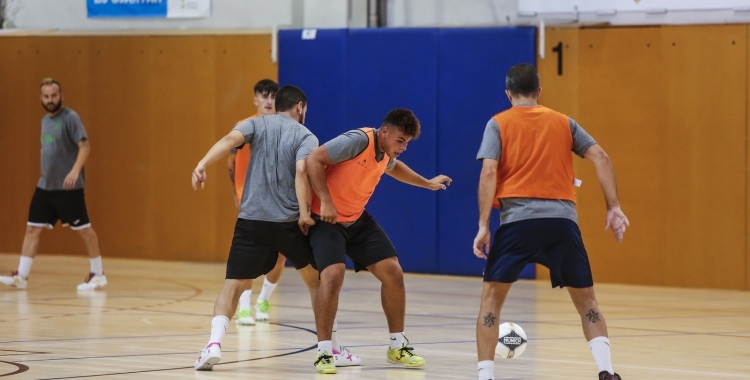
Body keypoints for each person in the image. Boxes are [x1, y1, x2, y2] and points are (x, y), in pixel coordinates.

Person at [472, 63, 629, 380]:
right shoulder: (564, 122)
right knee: (587, 302)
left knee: (491, 301)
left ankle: (486, 376)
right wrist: (614, 207)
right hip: (561, 223)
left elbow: (489, 171)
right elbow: (601, 157)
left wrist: (483, 225)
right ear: (539, 92)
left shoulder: (497, 123)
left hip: (517, 222)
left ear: (508, 93)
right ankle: (606, 370)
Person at [191, 85, 359, 371]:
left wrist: (202, 163)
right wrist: (305, 213)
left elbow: (228, 139)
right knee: (317, 282)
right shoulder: (306, 135)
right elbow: (301, 172)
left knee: (233, 285)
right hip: (287, 223)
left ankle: (213, 344)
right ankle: (330, 348)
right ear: (300, 107)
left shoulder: (253, 124)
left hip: (250, 221)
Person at [305, 108, 452, 374]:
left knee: (393, 273)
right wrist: (325, 200)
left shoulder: (386, 153)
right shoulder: (358, 141)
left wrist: (427, 183)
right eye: (400, 140)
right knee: (333, 275)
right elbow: (314, 159)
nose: (403, 147)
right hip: (327, 220)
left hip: (356, 219)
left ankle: (397, 346)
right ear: (385, 132)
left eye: (407, 143)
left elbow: (395, 169)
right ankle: (325, 352)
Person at [0, 78, 107, 291]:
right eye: (46, 97)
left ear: (61, 96)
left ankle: (98, 274)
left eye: (54, 96)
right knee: (32, 228)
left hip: (68, 189)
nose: (50, 100)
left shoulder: (71, 118)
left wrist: (75, 172)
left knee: (84, 230)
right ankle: (21, 276)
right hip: (45, 187)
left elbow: (85, 146)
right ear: (41, 98)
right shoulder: (44, 121)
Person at [227, 79, 288, 325]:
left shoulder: (286, 127)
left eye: (273, 96)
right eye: (264, 96)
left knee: (281, 254)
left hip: (278, 198)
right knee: (249, 252)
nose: (269, 100)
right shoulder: (244, 126)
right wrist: (235, 192)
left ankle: (264, 298)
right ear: (256, 100)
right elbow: (231, 161)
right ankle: (243, 306)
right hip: (249, 197)